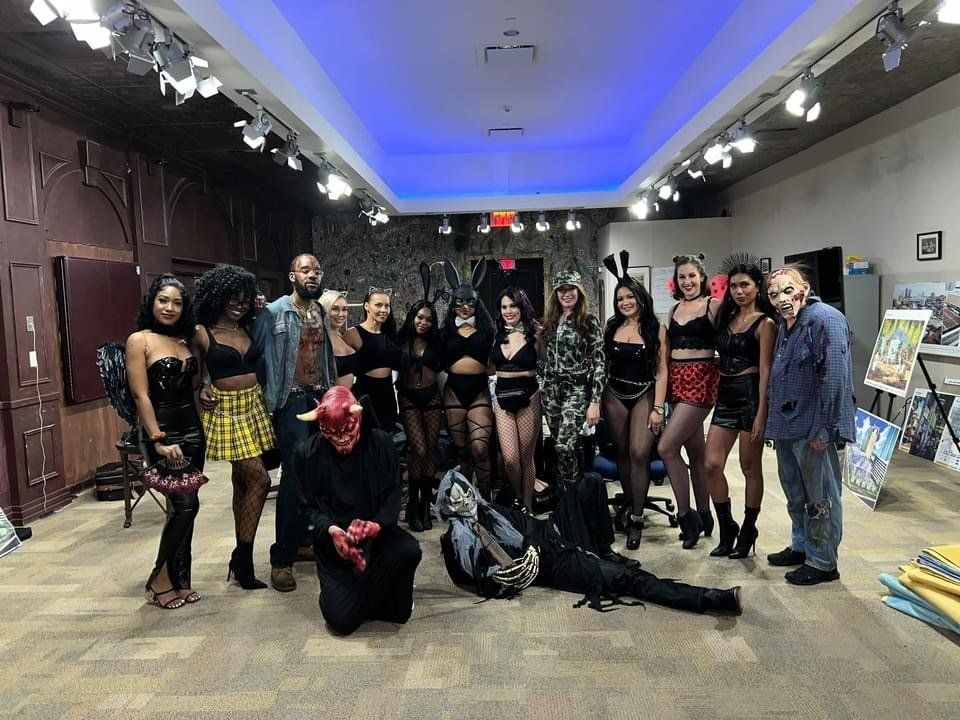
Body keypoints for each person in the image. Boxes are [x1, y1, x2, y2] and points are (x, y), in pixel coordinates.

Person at [436, 469, 742, 615]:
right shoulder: (458, 540)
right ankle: (708, 598)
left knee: (591, 481)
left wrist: (535, 540)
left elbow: (527, 524)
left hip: (552, 533)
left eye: (465, 491)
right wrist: (502, 576)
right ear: (447, 505)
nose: (464, 500)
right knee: (628, 578)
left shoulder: (489, 509)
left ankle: (603, 549)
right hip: (556, 563)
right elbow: (472, 577)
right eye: (455, 497)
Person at [295, 386, 422, 635]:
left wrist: (375, 525)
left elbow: (393, 494)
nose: (342, 438)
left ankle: (361, 598)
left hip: (377, 541)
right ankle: (359, 598)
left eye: (346, 430)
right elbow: (306, 510)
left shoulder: (380, 443)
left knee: (408, 552)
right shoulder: (307, 455)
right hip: (335, 551)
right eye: (333, 432)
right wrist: (331, 531)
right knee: (341, 622)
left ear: (358, 419)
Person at [764, 265, 855, 585]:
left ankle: (823, 561)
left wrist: (825, 427)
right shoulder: (786, 323)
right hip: (788, 425)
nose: (782, 298)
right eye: (774, 294)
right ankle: (802, 545)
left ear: (805, 287)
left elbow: (835, 376)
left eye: (789, 290)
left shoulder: (826, 319)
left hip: (813, 426)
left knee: (821, 496)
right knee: (795, 492)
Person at [253, 253, 337, 592]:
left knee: (316, 475)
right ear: (292, 276)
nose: (312, 275)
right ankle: (282, 558)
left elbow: (325, 358)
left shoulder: (319, 312)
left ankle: (303, 541)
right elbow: (253, 353)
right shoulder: (274, 312)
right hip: (290, 402)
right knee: (293, 478)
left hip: (319, 398)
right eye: (305, 270)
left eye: (317, 270)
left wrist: (332, 394)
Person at [193, 264, 276, 590]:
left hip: (253, 406)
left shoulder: (249, 326)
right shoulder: (202, 332)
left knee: (243, 482)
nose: (239, 305)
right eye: (233, 299)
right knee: (260, 479)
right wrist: (202, 388)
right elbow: (194, 375)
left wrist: (260, 307)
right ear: (218, 296)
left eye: (244, 299)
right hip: (225, 411)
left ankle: (240, 557)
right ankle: (244, 558)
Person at [125, 275, 205, 609]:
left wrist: (207, 390)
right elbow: (140, 395)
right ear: (152, 302)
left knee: (187, 506)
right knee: (185, 505)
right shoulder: (139, 340)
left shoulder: (185, 340)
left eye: (177, 303)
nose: (170, 308)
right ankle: (159, 579)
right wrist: (158, 439)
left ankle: (181, 580)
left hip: (193, 431)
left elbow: (195, 384)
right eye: (163, 300)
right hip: (160, 430)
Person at [704, 256, 776, 559]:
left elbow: (766, 370)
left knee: (749, 467)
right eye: (733, 286)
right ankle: (727, 526)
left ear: (757, 286)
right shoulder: (726, 318)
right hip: (726, 395)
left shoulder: (765, 323)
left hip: (750, 396)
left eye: (744, 285)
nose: (738, 291)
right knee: (711, 464)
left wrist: (761, 412)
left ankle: (748, 528)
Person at [601, 252, 668, 551]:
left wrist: (658, 409)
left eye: (630, 296)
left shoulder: (656, 328)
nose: (625, 302)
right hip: (614, 394)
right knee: (623, 454)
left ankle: (638, 519)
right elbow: (604, 365)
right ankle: (629, 505)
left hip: (644, 393)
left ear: (640, 297)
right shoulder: (612, 327)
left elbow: (662, 371)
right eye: (620, 299)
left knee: (640, 452)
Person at [659, 254, 718, 549]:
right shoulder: (673, 310)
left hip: (702, 380)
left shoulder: (713, 306)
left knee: (666, 447)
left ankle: (686, 517)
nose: (687, 282)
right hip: (677, 381)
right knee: (695, 452)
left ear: (702, 277)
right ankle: (705, 515)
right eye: (682, 277)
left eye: (692, 276)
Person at [540, 269, 605, 487]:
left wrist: (595, 402)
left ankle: (572, 492)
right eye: (562, 290)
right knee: (561, 445)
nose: (566, 294)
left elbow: (600, 363)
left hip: (576, 390)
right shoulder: (550, 321)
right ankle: (568, 492)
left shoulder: (589, 321)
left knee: (564, 445)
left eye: (571, 289)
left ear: (579, 291)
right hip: (551, 392)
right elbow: (547, 358)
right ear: (556, 293)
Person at [396, 262, 445, 531]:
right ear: (412, 316)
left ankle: (424, 506)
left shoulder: (437, 341)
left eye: (428, 319)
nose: (424, 323)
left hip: (433, 399)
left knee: (430, 451)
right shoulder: (400, 340)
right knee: (419, 449)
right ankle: (413, 504)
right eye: (420, 318)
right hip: (409, 399)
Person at [441, 258, 496, 497]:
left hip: (479, 391)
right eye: (459, 302)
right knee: (462, 450)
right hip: (453, 391)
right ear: (453, 303)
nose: (464, 306)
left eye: (470, 302)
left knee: (480, 448)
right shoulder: (445, 331)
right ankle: (466, 499)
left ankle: (486, 499)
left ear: (477, 302)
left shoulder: (487, 330)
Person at [491, 287, 541, 512]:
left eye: (513, 306)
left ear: (522, 307)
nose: (508, 311)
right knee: (510, 459)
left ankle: (527, 506)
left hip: (529, 395)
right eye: (504, 307)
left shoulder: (535, 333)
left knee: (526, 457)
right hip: (502, 396)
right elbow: (488, 368)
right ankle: (520, 498)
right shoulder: (495, 333)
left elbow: (548, 362)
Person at [344, 288, 401, 432]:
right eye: (378, 305)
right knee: (365, 438)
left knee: (387, 436)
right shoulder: (353, 334)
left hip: (387, 394)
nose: (384, 310)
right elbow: (340, 366)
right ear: (366, 306)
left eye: (387, 306)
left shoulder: (390, 334)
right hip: (365, 394)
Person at [319, 290, 358, 388]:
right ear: (324, 310)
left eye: (344, 309)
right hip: (328, 396)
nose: (341, 314)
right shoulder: (318, 341)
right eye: (335, 309)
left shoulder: (342, 337)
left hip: (352, 395)